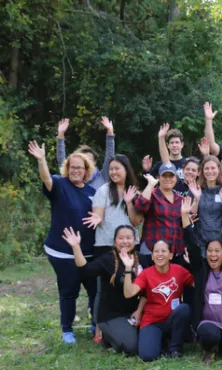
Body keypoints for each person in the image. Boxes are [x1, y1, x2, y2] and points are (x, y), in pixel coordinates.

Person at [28, 140, 97, 344]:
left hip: (89, 252)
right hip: (62, 251)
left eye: (80, 167)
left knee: (94, 289)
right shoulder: (59, 184)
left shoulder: (93, 193)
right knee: (69, 290)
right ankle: (67, 330)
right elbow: (46, 179)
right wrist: (41, 161)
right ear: (67, 169)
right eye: (72, 167)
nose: (76, 170)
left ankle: (96, 323)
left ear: (87, 171)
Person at [181, 197, 222, 363]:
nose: (213, 254)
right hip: (208, 324)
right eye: (210, 250)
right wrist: (184, 216)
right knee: (210, 333)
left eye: (217, 251)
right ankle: (208, 351)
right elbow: (192, 244)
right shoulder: (201, 269)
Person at [82, 154, 141, 342]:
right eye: (111, 169)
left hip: (131, 245)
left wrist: (130, 201)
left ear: (126, 170)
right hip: (106, 245)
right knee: (103, 289)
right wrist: (97, 218)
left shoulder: (134, 191)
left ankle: (128, 320)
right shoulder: (103, 190)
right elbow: (97, 213)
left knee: (131, 284)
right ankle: (99, 328)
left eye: (118, 168)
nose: (114, 172)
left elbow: (135, 221)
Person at [63, 225, 144, 354]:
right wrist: (76, 247)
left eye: (129, 238)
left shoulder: (141, 259)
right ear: (114, 241)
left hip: (135, 312)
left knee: (150, 340)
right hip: (112, 315)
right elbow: (85, 270)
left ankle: (124, 331)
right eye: (120, 238)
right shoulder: (108, 259)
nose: (125, 241)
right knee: (132, 347)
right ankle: (107, 335)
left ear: (135, 240)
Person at [121, 239, 194, 361]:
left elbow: (198, 284)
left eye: (163, 251)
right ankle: (161, 341)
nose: (160, 254)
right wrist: (128, 268)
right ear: (152, 256)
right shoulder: (146, 274)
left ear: (170, 255)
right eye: (156, 251)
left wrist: (194, 264)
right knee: (148, 356)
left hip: (172, 319)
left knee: (184, 309)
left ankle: (174, 348)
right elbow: (129, 293)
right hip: (152, 322)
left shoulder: (179, 271)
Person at [132, 163, 186, 264]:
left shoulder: (181, 199)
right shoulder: (152, 194)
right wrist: (150, 185)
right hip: (152, 249)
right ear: (158, 177)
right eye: (164, 176)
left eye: (171, 176)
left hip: (174, 251)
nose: (167, 179)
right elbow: (139, 207)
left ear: (176, 178)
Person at [188, 156, 222, 257]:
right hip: (201, 242)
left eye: (213, 168)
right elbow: (191, 216)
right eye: (207, 168)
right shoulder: (195, 190)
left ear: (218, 170)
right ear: (202, 171)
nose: (210, 171)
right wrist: (197, 198)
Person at [56, 116, 115, 190]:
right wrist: (61, 134)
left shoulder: (103, 176)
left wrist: (110, 132)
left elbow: (110, 157)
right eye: (84, 161)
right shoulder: (73, 178)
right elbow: (61, 160)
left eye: (89, 160)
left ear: (95, 162)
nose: (87, 162)